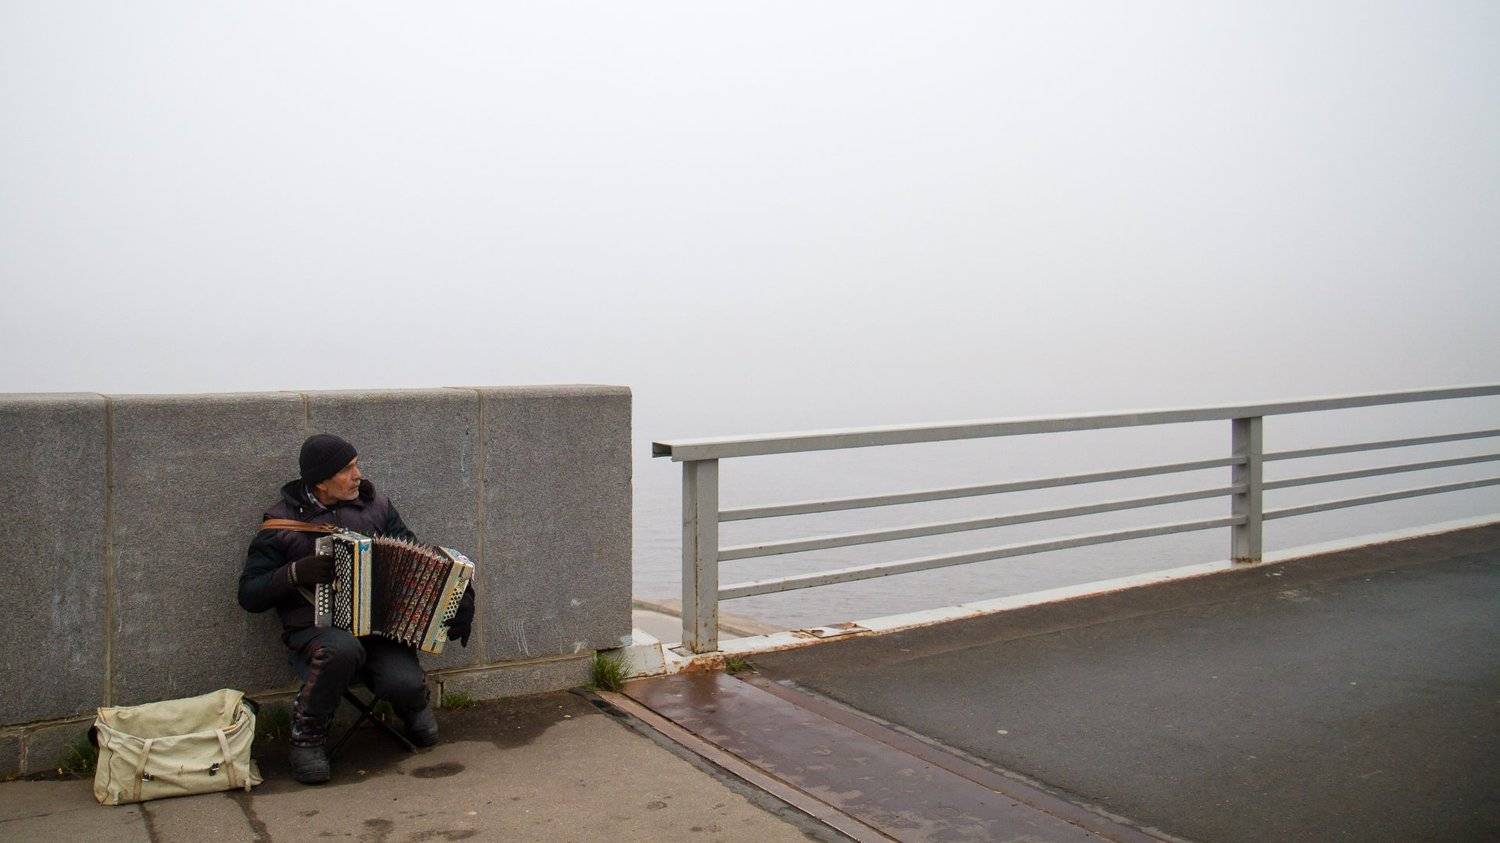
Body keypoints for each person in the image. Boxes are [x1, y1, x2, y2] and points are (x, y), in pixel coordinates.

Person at [238, 433, 476, 785]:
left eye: (356, 465)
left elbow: (417, 556)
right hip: (316, 631)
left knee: (404, 684)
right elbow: (249, 594)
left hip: (379, 631)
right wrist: (294, 573)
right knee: (341, 649)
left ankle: (412, 705)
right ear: (321, 481)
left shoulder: (377, 507)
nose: (358, 475)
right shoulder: (280, 524)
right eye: (347, 469)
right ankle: (307, 738)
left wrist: (457, 595)